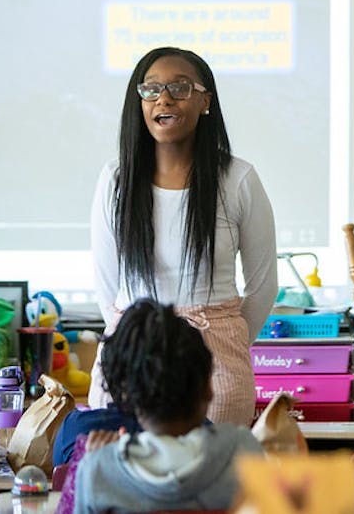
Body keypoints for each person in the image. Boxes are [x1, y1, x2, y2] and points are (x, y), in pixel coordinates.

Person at [89, 46, 278, 426]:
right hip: (130, 358)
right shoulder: (115, 180)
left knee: (216, 480)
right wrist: (138, 340)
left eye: (179, 88)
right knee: (124, 478)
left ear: (205, 101)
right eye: (151, 89)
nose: (163, 98)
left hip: (217, 363)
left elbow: (263, 288)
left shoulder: (238, 179)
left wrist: (227, 338)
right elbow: (108, 291)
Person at [72, 300, 264, 514]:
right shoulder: (244, 451)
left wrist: (98, 462)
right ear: (209, 388)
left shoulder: (98, 471)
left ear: (127, 399)